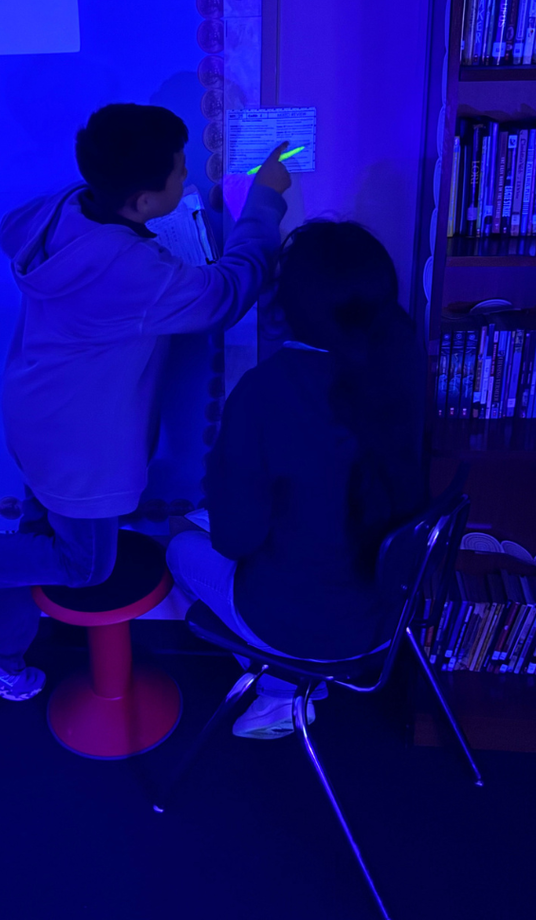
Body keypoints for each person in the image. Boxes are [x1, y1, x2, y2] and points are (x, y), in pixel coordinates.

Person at [0, 103, 292, 701]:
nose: (187, 182)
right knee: (83, 564)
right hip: (81, 447)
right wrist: (265, 201)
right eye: (179, 174)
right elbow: (226, 295)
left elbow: (35, 228)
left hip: (38, 411)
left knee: (36, 532)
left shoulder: (61, 208)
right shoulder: (131, 270)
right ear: (141, 202)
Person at [166, 220, 427, 739]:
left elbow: (235, 539)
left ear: (288, 306)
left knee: (178, 542)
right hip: (388, 617)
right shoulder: (405, 361)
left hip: (303, 625)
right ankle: (296, 680)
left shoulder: (266, 391)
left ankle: (282, 690)